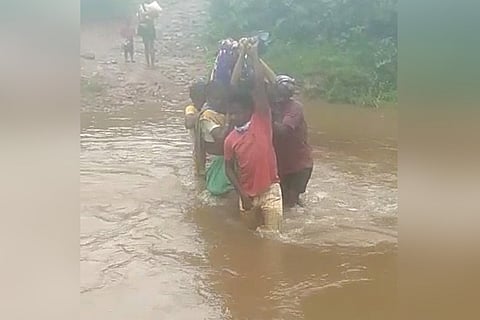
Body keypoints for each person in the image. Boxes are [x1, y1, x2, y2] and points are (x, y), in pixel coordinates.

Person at [224, 41, 283, 231]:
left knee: (273, 239)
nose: (233, 117)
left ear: (250, 111)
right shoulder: (230, 139)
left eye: (237, 113)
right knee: (249, 238)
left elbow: (258, 84)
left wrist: (254, 54)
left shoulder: (261, 120)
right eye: (230, 113)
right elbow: (228, 169)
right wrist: (241, 194)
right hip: (247, 193)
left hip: (270, 190)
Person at [271, 75, 313, 208]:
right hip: (283, 166)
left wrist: (270, 116)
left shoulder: (295, 107)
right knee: (286, 202)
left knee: (290, 204)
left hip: (299, 166)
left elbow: (283, 131)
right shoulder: (275, 107)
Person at [196, 81, 233, 195]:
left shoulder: (220, 113)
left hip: (224, 159)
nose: (220, 101)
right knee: (216, 194)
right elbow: (220, 137)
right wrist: (228, 122)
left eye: (222, 98)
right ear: (208, 98)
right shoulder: (207, 116)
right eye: (216, 98)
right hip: (215, 160)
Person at [184, 79, 207, 176]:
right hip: (199, 151)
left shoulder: (208, 108)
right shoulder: (191, 109)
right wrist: (202, 113)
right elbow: (189, 123)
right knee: (200, 174)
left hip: (208, 150)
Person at [137, 1, 157, 68]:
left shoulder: (141, 6)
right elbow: (156, 15)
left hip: (144, 28)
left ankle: (148, 64)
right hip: (151, 28)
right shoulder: (153, 6)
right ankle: (152, 64)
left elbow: (140, 17)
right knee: (151, 46)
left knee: (146, 46)